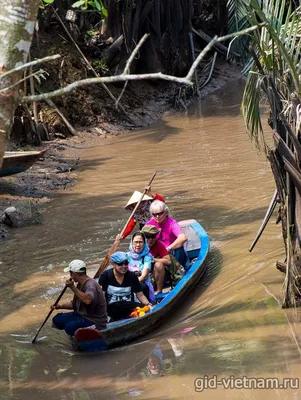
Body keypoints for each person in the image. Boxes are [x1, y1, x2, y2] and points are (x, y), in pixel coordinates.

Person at [51, 260, 107, 336]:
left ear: (73, 273)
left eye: (70, 273)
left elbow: (88, 300)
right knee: (56, 320)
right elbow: (75, 303)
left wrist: (72, 287)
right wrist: (59, 306)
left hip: (94, 320)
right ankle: (77, 333)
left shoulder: (91, 285)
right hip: (81, 315)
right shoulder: (80, 284)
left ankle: (86, 334)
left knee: (70, 327)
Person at [98, 251, 152, 321]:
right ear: (113, 264)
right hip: (111, 308)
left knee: (143, 309)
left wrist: (148, 305)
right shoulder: (105, 276)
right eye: (120, 264)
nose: (124, 266)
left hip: (129, 306)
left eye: (126, 263)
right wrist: (103, 312)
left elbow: (140, 295)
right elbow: (101, 297)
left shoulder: (132, 276)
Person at [145, 200, 189, 267]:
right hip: (157, 254)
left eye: (160, 213)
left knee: (179, 248)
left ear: (165, 213)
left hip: (172, 253)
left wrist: (168, 248)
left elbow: (183, 238)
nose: (157, 216)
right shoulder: (149, 225)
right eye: (154, 214)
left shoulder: (171, 223)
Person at [141, 225, 171, 294]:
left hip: (154, 274)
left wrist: (152, 259)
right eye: (147, 237)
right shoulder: (138, 245)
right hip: (141, 273)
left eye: (152, 237)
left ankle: (158, 290)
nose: (150, 239)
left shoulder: (158, 245)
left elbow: (168, 261)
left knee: (159, 265)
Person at [127, 232, 156, 303]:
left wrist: (129, 285)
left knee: (140, 286)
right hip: (128, 284)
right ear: (132, 243)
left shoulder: (147, 257)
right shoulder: (126, 256)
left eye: (140, 242)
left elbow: (144, 276)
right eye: (136, 242)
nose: (138, 245)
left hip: (142, 285)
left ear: (144, 243)